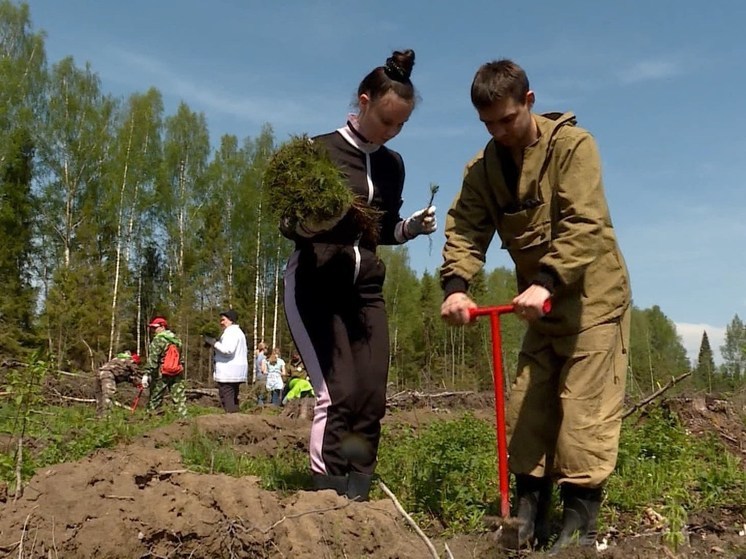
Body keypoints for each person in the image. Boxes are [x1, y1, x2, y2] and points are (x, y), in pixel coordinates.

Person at [439, 59, 631, 552]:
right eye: (488, 124)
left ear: (528, 101)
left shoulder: (572, 147)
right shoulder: (483, 170)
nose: (499, 132)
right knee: (527, 409)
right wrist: (456, 286)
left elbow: (584, 223)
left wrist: (546, 280)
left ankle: (577, 530)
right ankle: (526, 519)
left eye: (507, 120)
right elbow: (465, 228)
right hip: (539, 311)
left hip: (592, 302)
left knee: (582, 415)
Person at [282, 49, 437, 501]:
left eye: (400, 126)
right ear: (364, 101)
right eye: (386, 120)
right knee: (340, 393)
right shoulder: (317, 152)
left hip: (365, 291)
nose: (390, 132)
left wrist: (410, 228)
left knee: (370, 397)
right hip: (317, 284)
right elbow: (288, 222)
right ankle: (328, 498)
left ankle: (359, 494)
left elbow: (381, 227)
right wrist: (324, 217)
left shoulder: (393, 165)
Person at [143, 316, 188, 418]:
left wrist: (147, 373)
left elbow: (153, 359)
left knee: (156, 396)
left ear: (163, 327)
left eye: (155, 328)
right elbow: (181, 357)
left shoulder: (158, 340)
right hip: (176, 371)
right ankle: (184, 420)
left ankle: (151, 419)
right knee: (179, 397)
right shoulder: (177, 340)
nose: (154, 330)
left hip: (162, 372)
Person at [204, 309, 248, 413]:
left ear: (231, 320)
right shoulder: (238, 332)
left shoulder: (231, 332)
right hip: (234, 371)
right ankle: (237, 419)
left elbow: (228, 350)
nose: (221, 322)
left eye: (223, 320)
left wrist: (213, 342)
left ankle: (232, 422)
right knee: (233, 399)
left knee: (227, 399)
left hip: (228, 372)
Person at [252, 341, 267, 406]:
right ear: (264, 349)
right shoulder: (263, 357)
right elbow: (263, 369)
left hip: (258, 375)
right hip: (263, 375)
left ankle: (259, 404)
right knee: (263, 391)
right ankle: (261, 405)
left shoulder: (257, 357)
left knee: (259, 390)